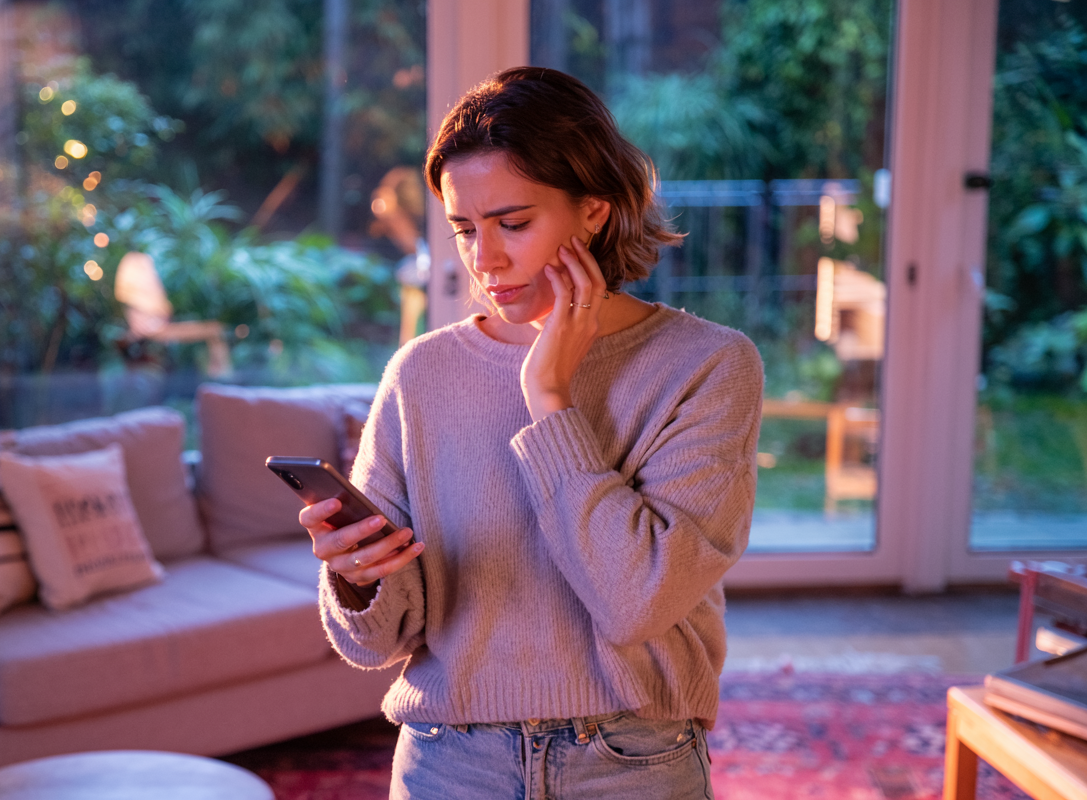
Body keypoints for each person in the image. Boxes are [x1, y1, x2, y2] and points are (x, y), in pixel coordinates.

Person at [299, 66, 763, 800]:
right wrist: (357, 577)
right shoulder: (420, 374)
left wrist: (549, 400)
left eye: (513, 223)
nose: (484, 259)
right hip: (448, 762)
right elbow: (375, 643)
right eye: (464, 228)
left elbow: (638, 601)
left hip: (630, 760)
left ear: (595, 212)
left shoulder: (707, 366)